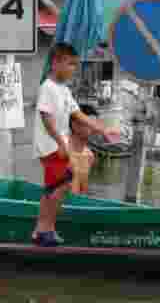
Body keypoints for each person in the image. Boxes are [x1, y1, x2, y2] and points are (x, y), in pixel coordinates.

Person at [32, 43, 119, 247]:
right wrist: (61, 142)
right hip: (51, 146)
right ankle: (45, 230)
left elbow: (78, 114)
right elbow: (47, 118)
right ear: (55, 63)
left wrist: (103, 129)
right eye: (70, 64)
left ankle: (43, 229)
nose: (73, 68)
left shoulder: (63, 90)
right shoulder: (48, 88)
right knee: (60, 185)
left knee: (54, 187)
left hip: (57, 145)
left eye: (74, 64)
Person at [69, 109, 97, 196]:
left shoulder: (89, 156)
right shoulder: (61, 152)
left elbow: (83, 191)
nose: (94, 128)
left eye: (95, 124)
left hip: (77, 205)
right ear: (75, 125)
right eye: (90, 124)